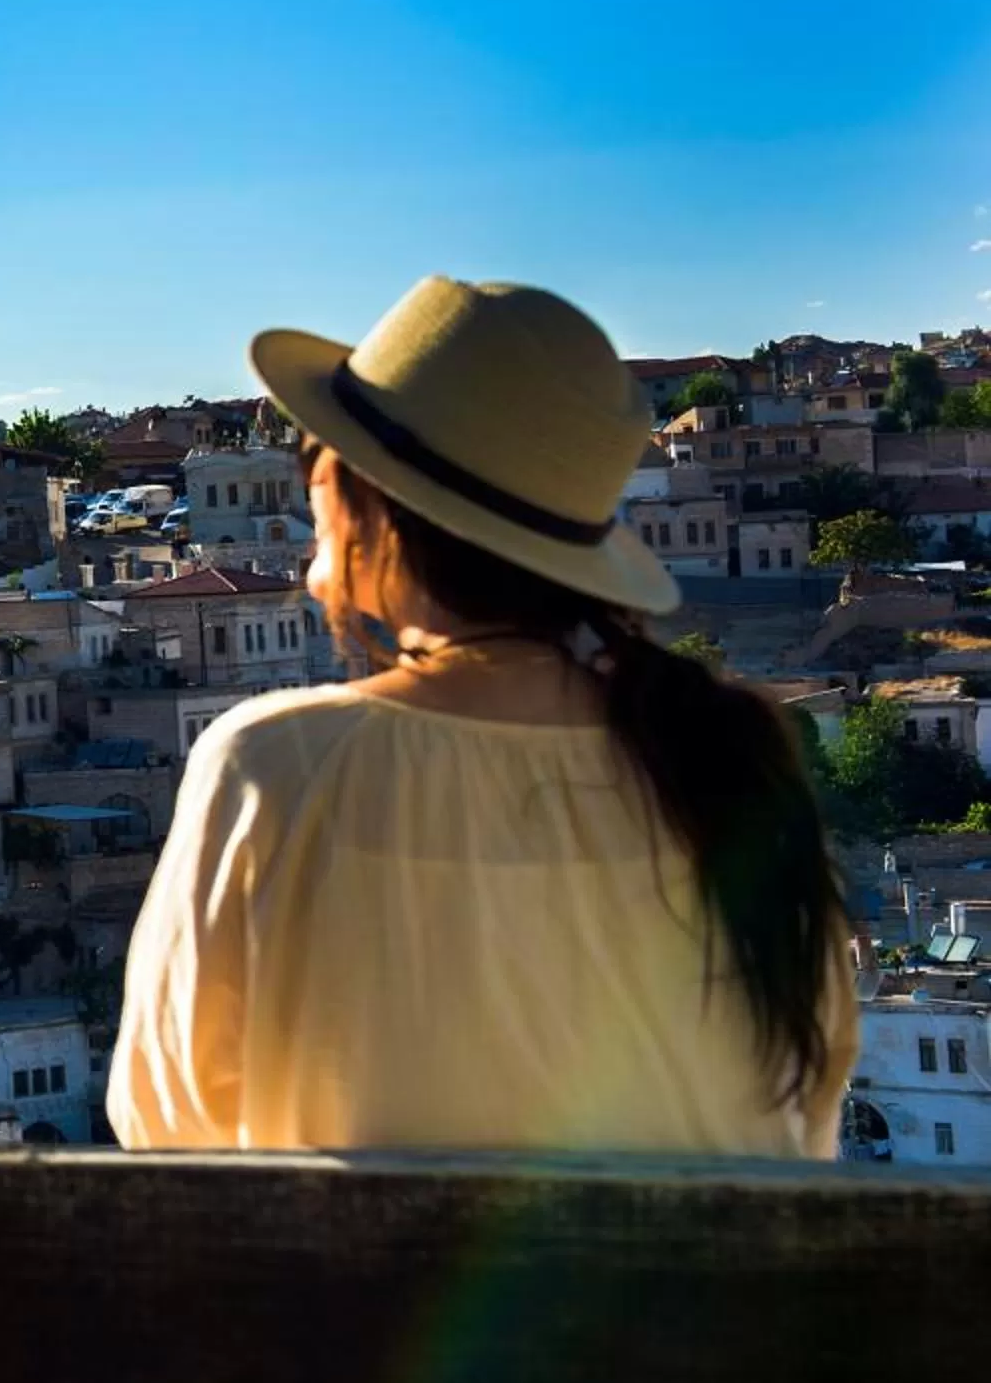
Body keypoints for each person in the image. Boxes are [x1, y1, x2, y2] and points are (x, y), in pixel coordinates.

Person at [109, 277, 853, 1155]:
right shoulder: (731, 759)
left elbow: (169, 1122)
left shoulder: (275, 769)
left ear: (368, 506)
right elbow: (808, 1110)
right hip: (718, 1290)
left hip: (372, 1290)